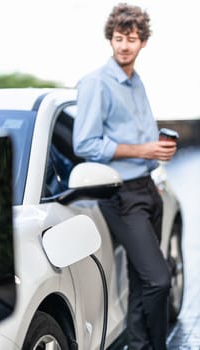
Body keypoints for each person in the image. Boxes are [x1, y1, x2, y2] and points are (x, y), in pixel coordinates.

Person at [73, 3, 177, 350]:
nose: (124, 46)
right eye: (119, 38)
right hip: (119, 195)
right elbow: (85, 143)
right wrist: (143, 150)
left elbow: (137, 133)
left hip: (147, 189)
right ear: (110, 39)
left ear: (143, 43)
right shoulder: (95, 84)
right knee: (160, 280)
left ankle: (138, 346)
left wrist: (156, 153)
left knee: (141, 281)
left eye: (132, 39)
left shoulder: (136, 81)